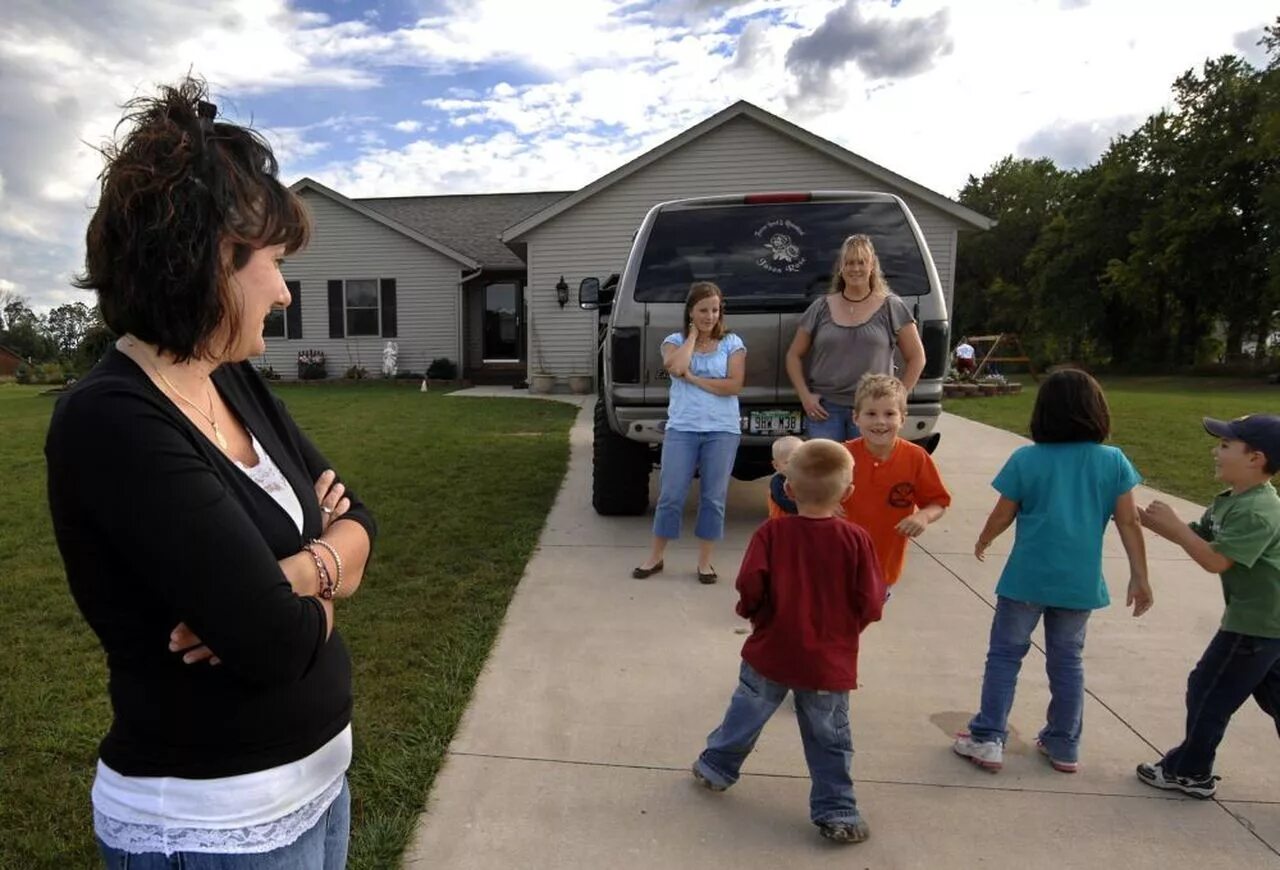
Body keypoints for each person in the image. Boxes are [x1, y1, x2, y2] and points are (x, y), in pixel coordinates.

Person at [44, 78, 375, 867]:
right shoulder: (113, 420)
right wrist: (320, 575)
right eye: (271, 263)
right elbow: (271, 645)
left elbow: (361, 518)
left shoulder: (229, 375)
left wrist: (296, 571)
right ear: (208, 262)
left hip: (319, 789)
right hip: (214, 828)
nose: (285, 292)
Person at [952, 370, 1152, 774]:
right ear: (1097, 412)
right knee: (1067, 661)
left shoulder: (1027, 458)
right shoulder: (1113, 462)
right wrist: (1139, 575)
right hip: (1078, 582)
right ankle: (1064, 743)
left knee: (1005, 656)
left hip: (1026, 578)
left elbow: (1003, 512)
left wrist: (984, 539)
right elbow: (1129, 522)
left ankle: (989, 737)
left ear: (1042, 413)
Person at [691, 439, 885, 844]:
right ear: (848, 492)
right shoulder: (856, 540)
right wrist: (849, 628)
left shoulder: (772, 533)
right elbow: (870, 599)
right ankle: (838, 810)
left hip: (771, 650)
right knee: (829, 735)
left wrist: (755, 614)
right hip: (828, 662)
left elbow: (750, 584)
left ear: (789, 489)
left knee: (746, 712)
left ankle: (716, 767)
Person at [1134, 414, 1280, 799]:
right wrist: (1148, 520)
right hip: (1266, 622)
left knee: (1208, 690)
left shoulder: (1258, 510)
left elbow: (1215, 560)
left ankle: (1190, 771)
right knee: (1273, 696)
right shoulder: (1234, 499)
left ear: (1256, 459)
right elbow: (1203, 536)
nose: (1215, 451)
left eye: (1225, 446)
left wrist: (1177, 530)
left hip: (1257, 622)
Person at [632, 282, 746, 583]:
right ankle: (655, 557)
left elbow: (734, 385)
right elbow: (675, 367)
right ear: (691, 312)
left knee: (713, 498)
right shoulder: (674, 341)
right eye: (703, 310)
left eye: (715, 309)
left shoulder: (733, 343)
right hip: (683, 428)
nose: (710, 316)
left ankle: (705, 563)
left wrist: (694, 380)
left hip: (722, 430)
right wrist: (693, 337)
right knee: (670, 495)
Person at [785, 234, 926, 441]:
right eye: (849, 262)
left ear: (872, 266)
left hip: (872, 410)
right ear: (841, 267)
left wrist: (898, 397)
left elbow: (917, 357)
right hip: (825, 410)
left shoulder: (891, 306)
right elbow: (793, 355)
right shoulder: (821, 307)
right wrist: (805, 397)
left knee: (868, 471)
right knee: (825, 471)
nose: (855, 268)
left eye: (861, 262)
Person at [839, 374, 951, 590]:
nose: (880, 421)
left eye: (889, 413)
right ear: (856, 418)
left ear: (902, 418)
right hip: (839, 560)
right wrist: (827, 504)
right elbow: (811, 492)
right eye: (870, 413)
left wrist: (923, 516)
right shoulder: (841, 455)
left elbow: (938, 502)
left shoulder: (916, 458)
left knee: (867, 615)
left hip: (884, 564)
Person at [767, 435, 803, 518]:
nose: (796, 465)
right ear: (776, 465)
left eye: (800, 460)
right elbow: (786, 504)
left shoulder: (808, 478)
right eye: (788, 462)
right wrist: (812, 508)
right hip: (782, 526)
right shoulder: (777, 482)